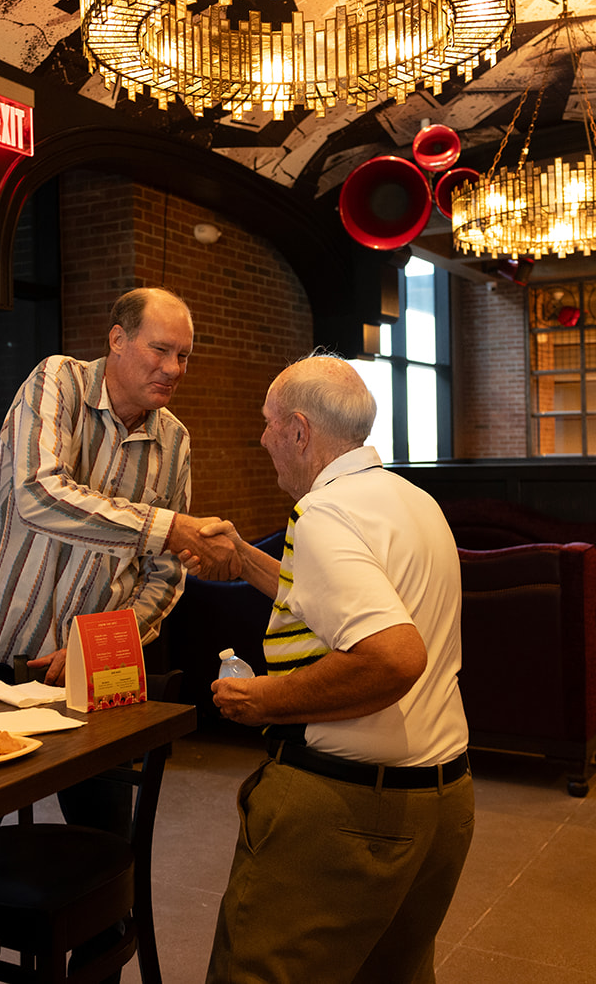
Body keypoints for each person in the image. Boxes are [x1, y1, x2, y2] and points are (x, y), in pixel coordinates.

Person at [199, 354, 473, 984]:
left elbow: (393, 655)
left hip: (351, 811)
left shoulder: (325, 514)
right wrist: (243, 558)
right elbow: (332, 601)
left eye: (267, 424)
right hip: (441, 802)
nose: (262, 438)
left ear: (299, 430)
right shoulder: (410, 499)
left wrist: (267, 700)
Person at [0, 286, 238, 687]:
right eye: (160, 349)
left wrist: (102, 644)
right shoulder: (59, 380)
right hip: (1, 651)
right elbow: (38, 494)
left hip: (96, 666)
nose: (174, 369)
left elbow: (167, 573)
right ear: (117, 339)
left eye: (183, 355)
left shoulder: (175, 439)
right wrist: (167, 529)